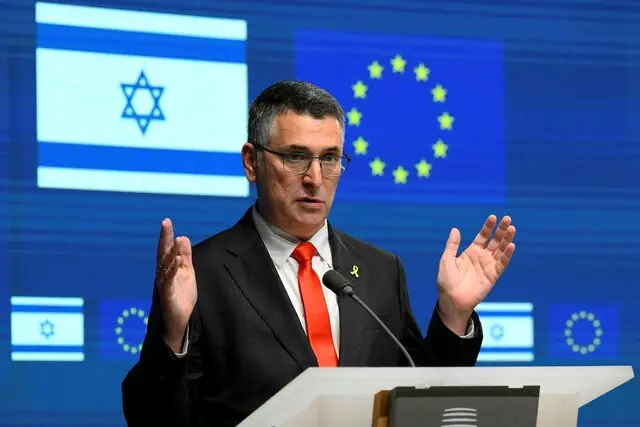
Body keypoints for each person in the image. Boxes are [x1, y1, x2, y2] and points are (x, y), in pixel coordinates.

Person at [121, 80, 516, 427]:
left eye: (329, 159)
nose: (315, 178)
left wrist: (453, 315)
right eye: (295, 157)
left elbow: (422, 399)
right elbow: (152, 419)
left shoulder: (380, 270)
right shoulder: (203, 274)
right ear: (251, 162)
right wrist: (173, 337)